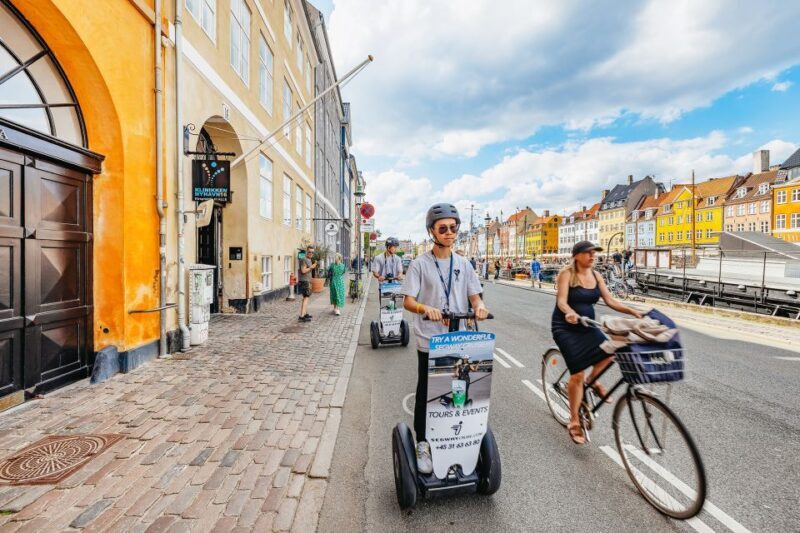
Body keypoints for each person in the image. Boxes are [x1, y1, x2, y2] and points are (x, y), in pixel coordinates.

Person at [400, 203, 489, 474]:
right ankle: (423, 442)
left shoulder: (464, 263)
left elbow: (474, 294)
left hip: (460, 339)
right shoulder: (420, 265)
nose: (450, 233)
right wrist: (424, 308)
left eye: (453, 227)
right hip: (430, 340)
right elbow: (408, 301)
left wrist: (479, 307)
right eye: (443, 228)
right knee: (428, 392)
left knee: (461, 391)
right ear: (432, 232)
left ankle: (457, 438)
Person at [552, 241, 642, 445]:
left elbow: (610, 301)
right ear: (576, 255)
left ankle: (590, 382)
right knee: (577, 372)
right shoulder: (567, 273)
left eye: (594, 253)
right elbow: (562, 301)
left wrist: (633, 311)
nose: (593, 256)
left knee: (611, 352)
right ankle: (574, 420)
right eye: (588, 253)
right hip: (566, 326)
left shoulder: (596, 275)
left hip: (588, 326)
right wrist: (570, 313)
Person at [298, 245, 317, 322]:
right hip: (304, 281)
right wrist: (312, 267)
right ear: (307, 251)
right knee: (306, 298)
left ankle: (305, 313)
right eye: (309, 252)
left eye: (312, 252)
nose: (311, 253)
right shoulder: (304, 259)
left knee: (305, 298)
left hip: (307, 281)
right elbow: (303, 271)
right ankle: (302, 316)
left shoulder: (309, 259)